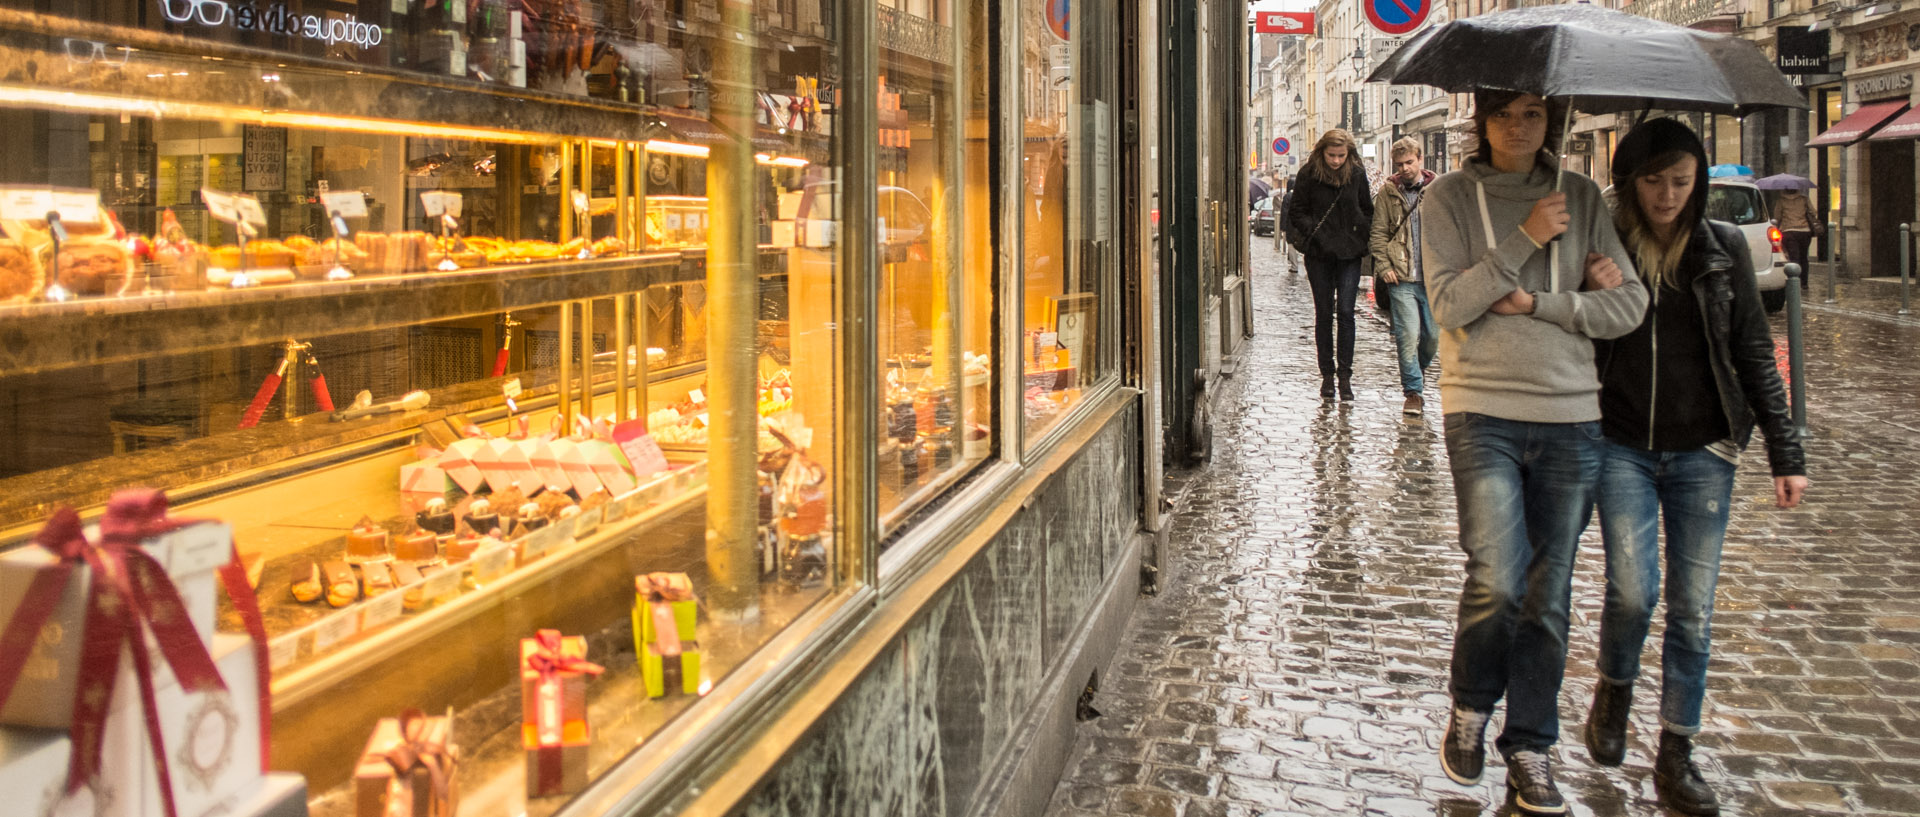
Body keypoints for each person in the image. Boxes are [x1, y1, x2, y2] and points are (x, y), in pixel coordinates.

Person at [1422, 90, 1649, 816]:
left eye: (1533, 115)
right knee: (1497, 573)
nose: (1519, 128)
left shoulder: (1582, 195)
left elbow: (1627, 307)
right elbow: (1450, 305)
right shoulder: (1449, 199)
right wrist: (1523, 237)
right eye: (1504, 115)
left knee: (1548, 594)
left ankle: (1530, 745)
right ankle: (1469, 706)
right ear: (1481, 121)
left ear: (1553, 120)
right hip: (1481, 406)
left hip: (1570, 416)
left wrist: (1546, 304)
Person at [1584, 118, 1808, 816]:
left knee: (1695, 611)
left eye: (1682, 180)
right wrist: (1593, 288)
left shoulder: (1720, 250)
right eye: (1654, 180)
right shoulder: (1606, 250)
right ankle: (1615, 686)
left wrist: (1784, 449)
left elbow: (1751, 350)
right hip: (1620, 444)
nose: (1668, 194)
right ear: (1629, 181)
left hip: (1705, 451)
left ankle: (1677, 751)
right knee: (1631, 592)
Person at [1286, 128, 1374, 400]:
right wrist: (1315, 232)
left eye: (1341, 156)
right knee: (1324, 313)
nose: (1336, 161)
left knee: (1346, 313)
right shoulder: (1308, 174)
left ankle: (1345, 376)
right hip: (1319, 254)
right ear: (1322, 152)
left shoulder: (1356, 174)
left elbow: (1367, 208)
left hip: (1349, 253)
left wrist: (1360, 231)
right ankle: (1327, 375)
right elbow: (1297, 210)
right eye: (1331, 155)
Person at [1369, 137, 1440, 417]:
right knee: (1408, 336)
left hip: (1433, 278)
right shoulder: (1388, 192)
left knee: (1432, 338)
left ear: (1420, 159)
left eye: (1409, 162)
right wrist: (1384, 266)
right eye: (1400, 165)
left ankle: (1416, 373)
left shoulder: (1437, 189)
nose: (1405, 169)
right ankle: (1413, 392)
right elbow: (1378, 233)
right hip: (1400, 278)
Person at [1772, 187, 1820, 289]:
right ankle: (1804, 283)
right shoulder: (1804, 199)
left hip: (1788, 231)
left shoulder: (1781, 201)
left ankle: (1795, 282)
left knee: (1794, 257)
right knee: (1803, 257)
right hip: (1804, 231)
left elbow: (1777, 217)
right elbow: (1813, 212)